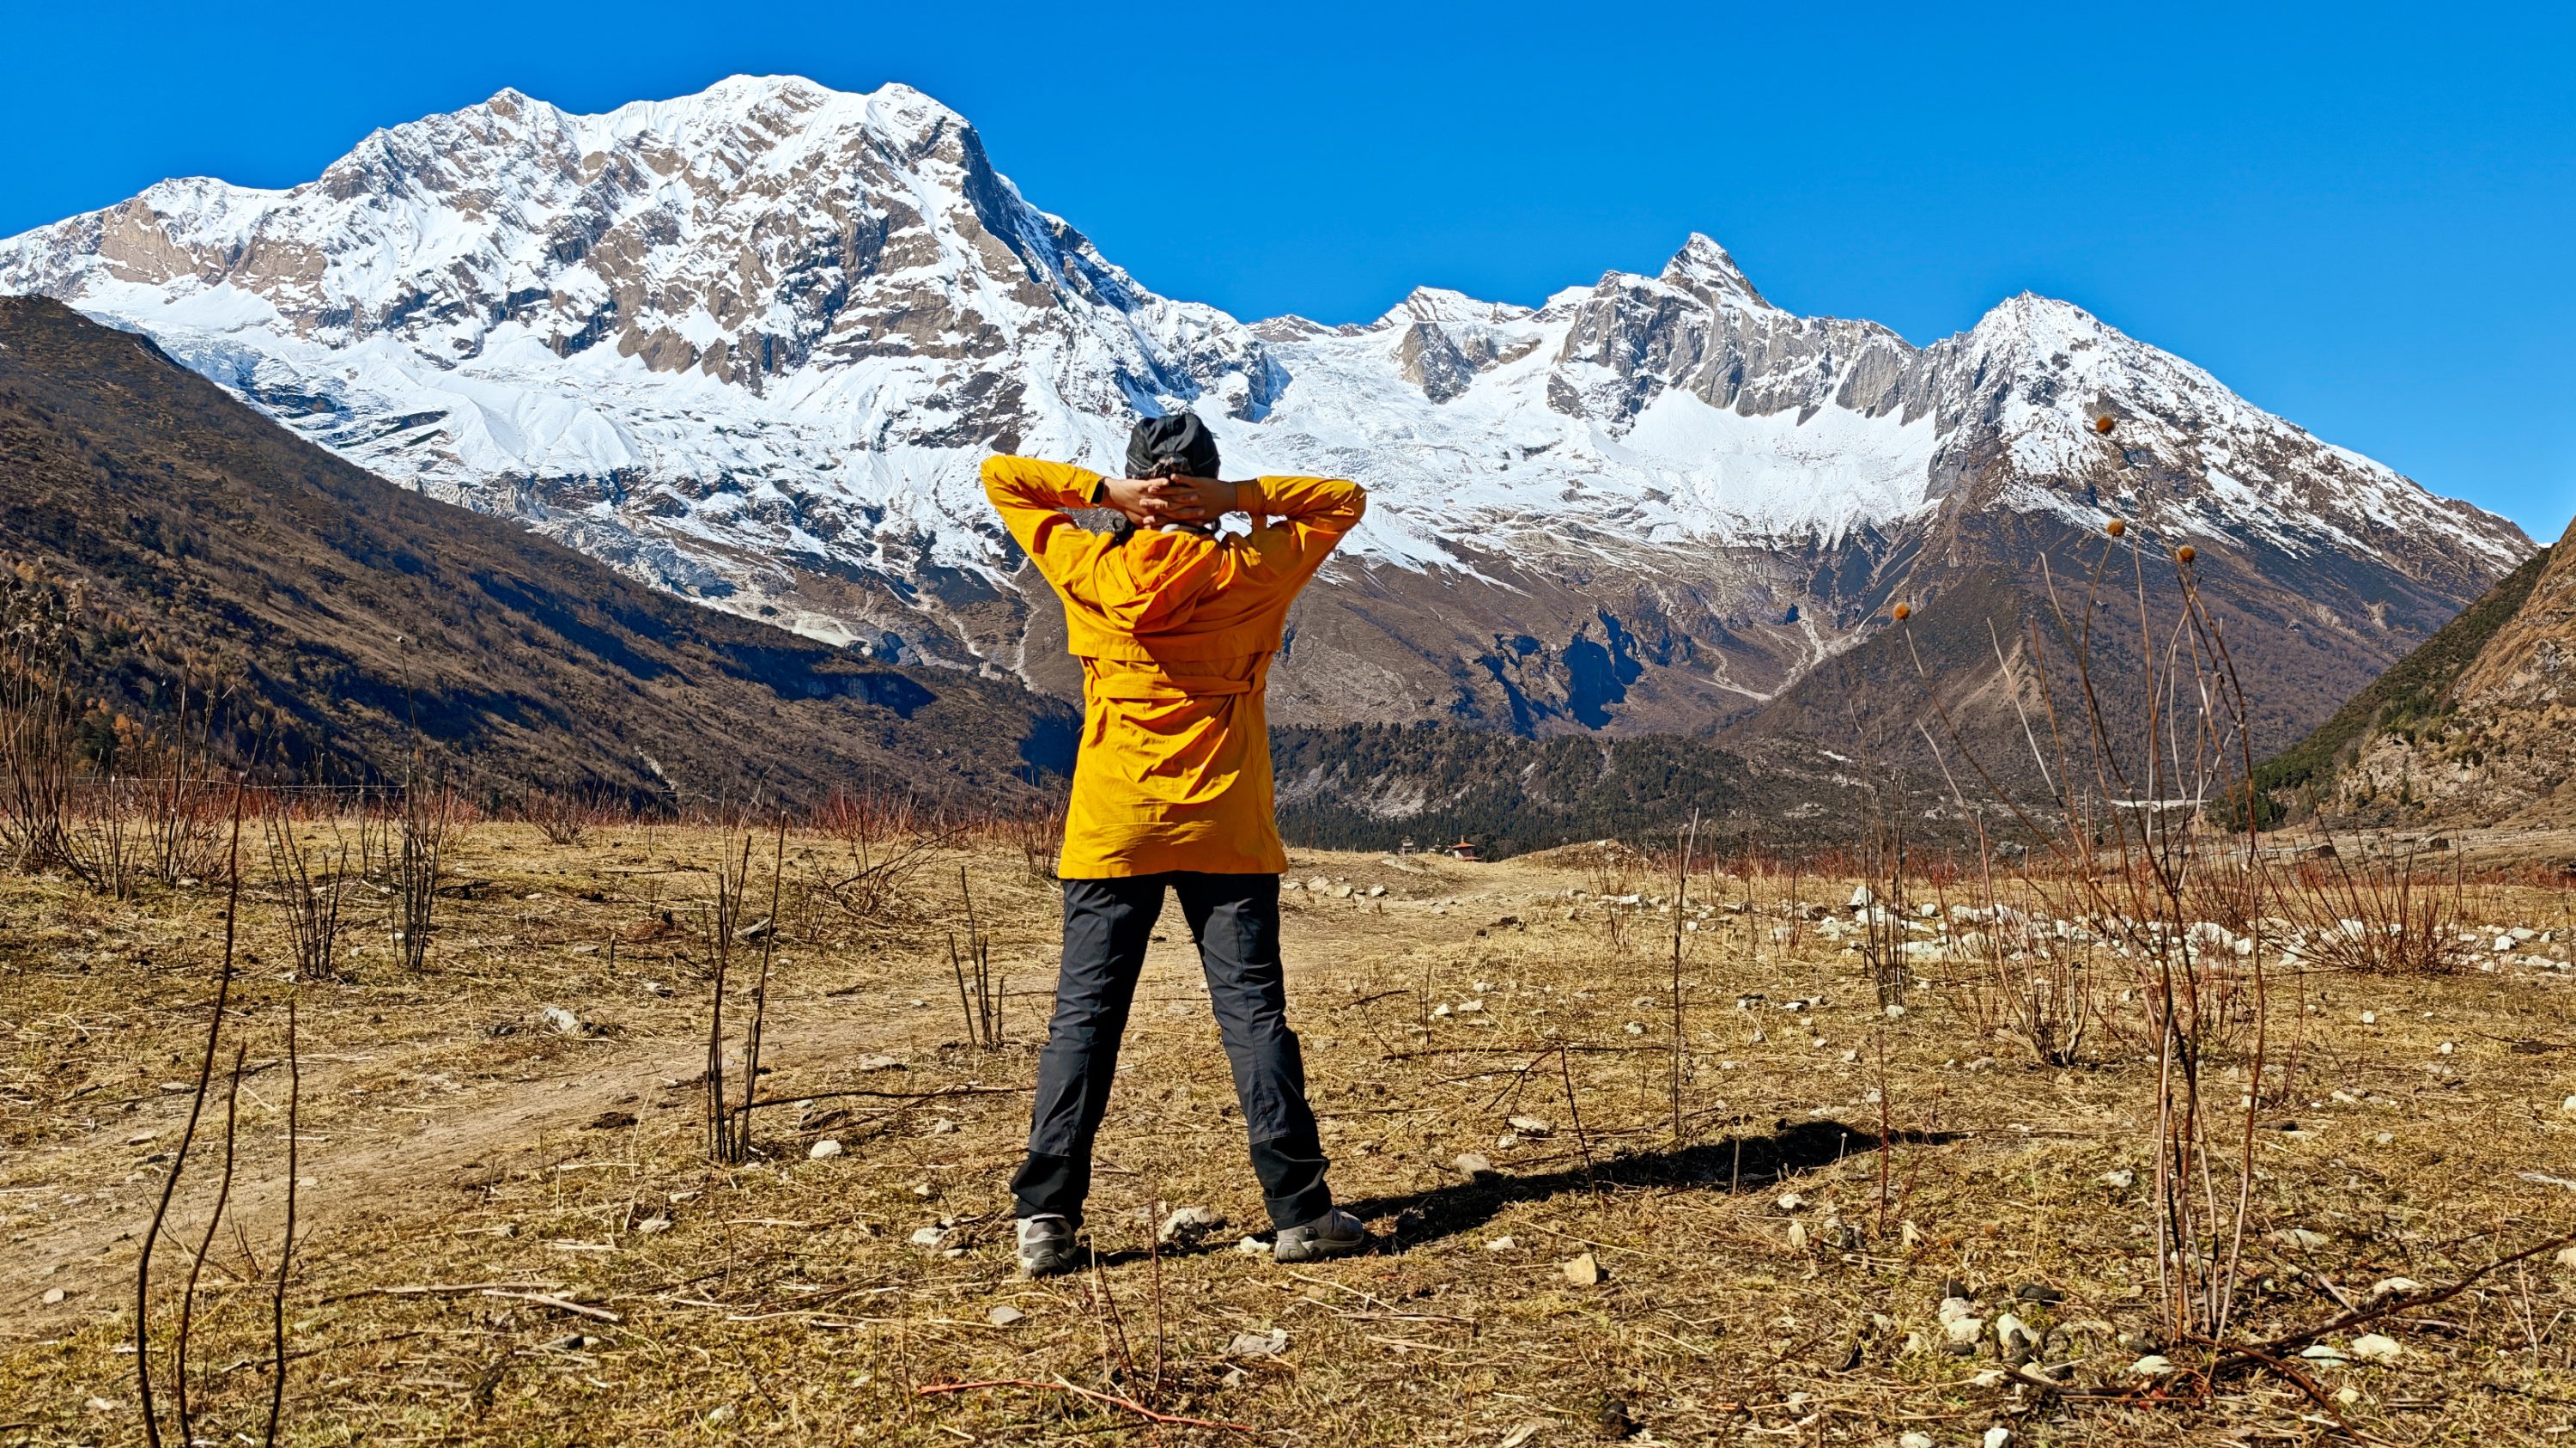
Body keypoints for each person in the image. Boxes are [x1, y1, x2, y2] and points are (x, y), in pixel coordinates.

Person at [981, 412, 1370, 1276]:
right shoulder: (1249, 570)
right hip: (1226, 825)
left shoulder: (1088, 566)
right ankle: (1301, 1213)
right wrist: (1232, 500)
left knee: (1084, 1019)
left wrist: (1107, 495)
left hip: (1113, 825)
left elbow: (1002, 476)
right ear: (1204, 484)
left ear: (1136, 486)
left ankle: (1046, 1218)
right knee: (1252, 1014)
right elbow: (1341, 501)